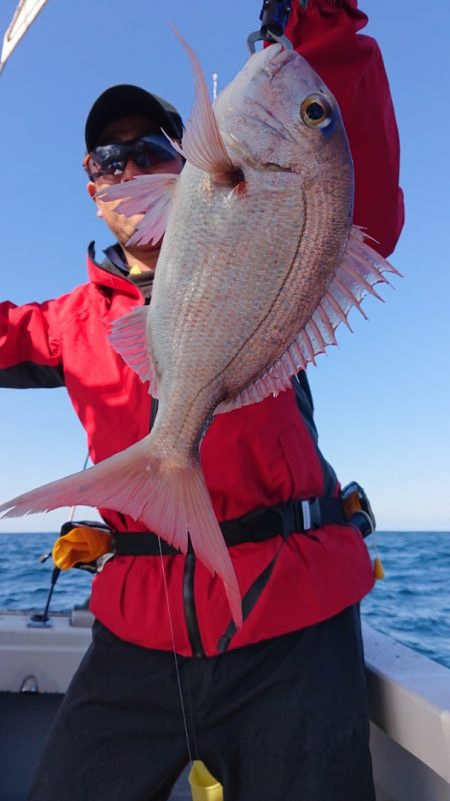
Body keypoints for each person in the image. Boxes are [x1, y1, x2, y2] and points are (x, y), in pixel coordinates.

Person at [0, 1, 404, 799]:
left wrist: (315, 22)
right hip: (136, 635)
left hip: (291, 621)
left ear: (189, 159)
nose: (120, 169)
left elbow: (352, 196)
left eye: (145, 149)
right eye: (102, 162)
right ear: (89, 191)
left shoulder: (272, 210)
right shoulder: (70, 323)